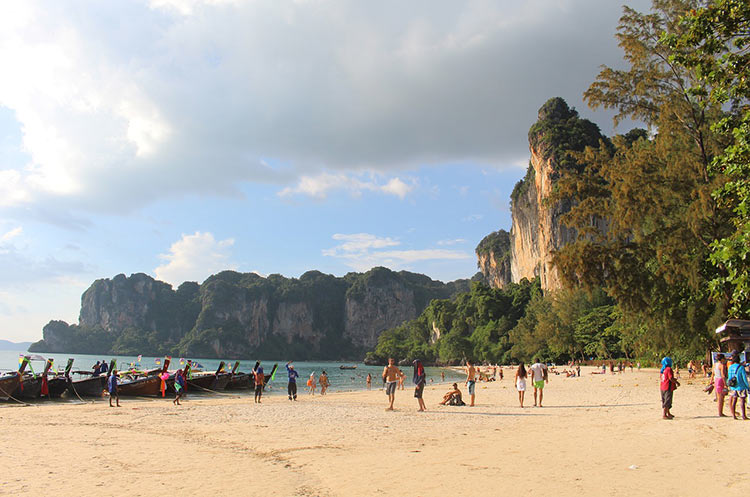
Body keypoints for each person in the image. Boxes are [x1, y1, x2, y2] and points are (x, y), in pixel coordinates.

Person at [727, 352, 749, 420]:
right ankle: (743, 416)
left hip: (733, 386)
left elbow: (729, 377)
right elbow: (744, 378)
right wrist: (747, 386)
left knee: (734, 400)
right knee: (742, 401)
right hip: (741, 386)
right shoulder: (741, 367)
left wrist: (729, 385)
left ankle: (733, 415)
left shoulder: (730, 367)